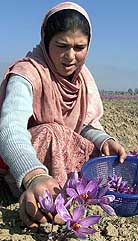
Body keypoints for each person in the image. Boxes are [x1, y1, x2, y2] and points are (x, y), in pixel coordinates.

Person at [0, 2, 126, 227]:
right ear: (46, 41)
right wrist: (34, 175)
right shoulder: (27, 74)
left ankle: (67, 198)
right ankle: (39, 199)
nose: (70, 57)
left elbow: (84, 125)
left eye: (79, 47)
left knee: (99, 152)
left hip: (59, 161)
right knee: (52, 132)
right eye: (61, 45)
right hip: (23, 166)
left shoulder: (83, 78)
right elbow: (11, 129)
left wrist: (104, 139)